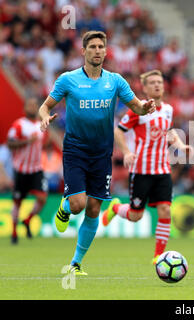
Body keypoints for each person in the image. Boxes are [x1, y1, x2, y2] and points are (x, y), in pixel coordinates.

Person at [38, 31, 156, 275]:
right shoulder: (68, 80)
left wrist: (144, 108)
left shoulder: (115, 81)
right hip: (75, 150)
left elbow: (136, 107)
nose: (97, 50)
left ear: (105, 50)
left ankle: (76, 263)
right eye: (92, 46)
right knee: (79, 204)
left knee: (94, 209)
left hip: (102, 153)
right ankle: (65, 207)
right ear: (83, 51)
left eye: (101, 46)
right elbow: (45, 105)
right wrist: (44, 118)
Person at [102, 69, 193, 264]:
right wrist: (126, 151)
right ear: (144, 88)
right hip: (141, 170)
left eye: (159, 81)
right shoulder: (139, 109)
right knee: (136, 216)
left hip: (162, 170)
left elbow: (168, 132)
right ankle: (116, 208)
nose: (157, 85)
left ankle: (158, 255)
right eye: (152, 82)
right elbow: (118, 131)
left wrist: (180, 145)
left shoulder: (168, 109)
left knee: (165, 211)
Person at [7, 97, 50, 244]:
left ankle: (27, 220)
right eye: (29, 105)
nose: (32, 107)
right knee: (18, 201)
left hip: (36, 169)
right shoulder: (19, 125)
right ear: (24, 108)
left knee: (43, 198)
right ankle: (14, 232)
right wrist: (27, 142)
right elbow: (10, 143)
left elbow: (44, 144)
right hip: (21, 170)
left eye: (34, 105)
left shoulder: (41, 125)